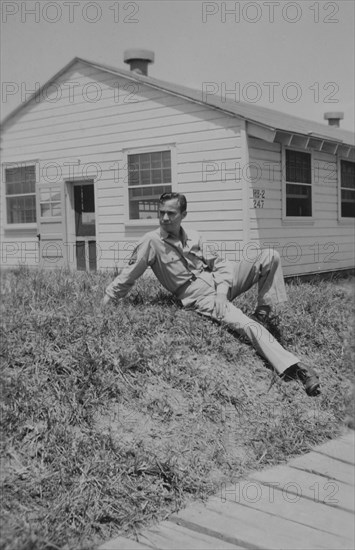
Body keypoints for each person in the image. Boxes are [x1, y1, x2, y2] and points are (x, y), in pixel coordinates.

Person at [103, 192, 320, 397]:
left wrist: (222, 292)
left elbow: (221, 265)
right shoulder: (151, 241)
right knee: (245, 325)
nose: (165, 218)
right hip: (199, 295)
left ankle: (262, 314)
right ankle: (297, 367)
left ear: (183, 215)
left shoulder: (195, 236)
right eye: (161, 213)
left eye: (171, 213)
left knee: (269, 256)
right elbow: (128, 274)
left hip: (221, 285)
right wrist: (107, 301)